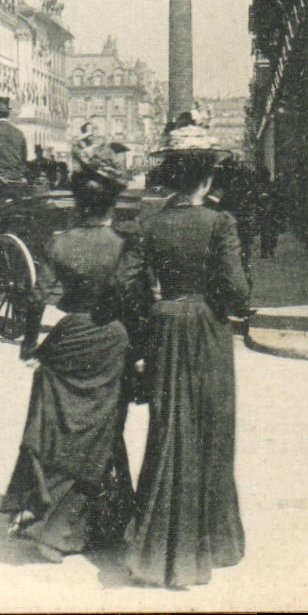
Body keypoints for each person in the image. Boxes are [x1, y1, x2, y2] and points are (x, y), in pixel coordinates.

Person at [2, 150, 149, 560]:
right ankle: (90, 522)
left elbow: (38, 297)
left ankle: (50, 514)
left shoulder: (59, 243)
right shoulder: (124, 246)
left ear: (79, 203)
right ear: (113, 203)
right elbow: (136, 304)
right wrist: (139, 352)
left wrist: (30, 343)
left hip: (68, 340)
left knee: (60, 431)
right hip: (111, 341)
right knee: (103, 429)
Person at [122, 129, 253, 588]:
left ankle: (157, 544)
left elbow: (128, 285)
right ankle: (213, 541)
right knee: (211, 430)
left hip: (164, 326)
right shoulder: (221, 223)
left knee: (167, 427)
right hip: (206, 330)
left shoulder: (150, 223)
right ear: (209, 175)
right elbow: (236, 291)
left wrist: (154, 313)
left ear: (172, 176)